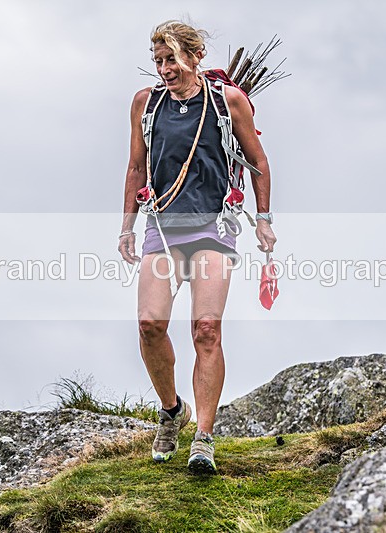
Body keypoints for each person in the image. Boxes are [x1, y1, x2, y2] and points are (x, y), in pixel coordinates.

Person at [118, 20, 276, 475]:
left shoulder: (229, 102)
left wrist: (263, 220)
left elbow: (259, 161)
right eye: (158, 60)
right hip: (162, 228)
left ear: (194, 56)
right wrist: (127, 227)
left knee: (206, 328)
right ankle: (172, 412)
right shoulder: (145, 105)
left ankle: (203, 438)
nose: (165, 68)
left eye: (171, 58)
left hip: (213, 227)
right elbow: (135, 167)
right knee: (150, 324)